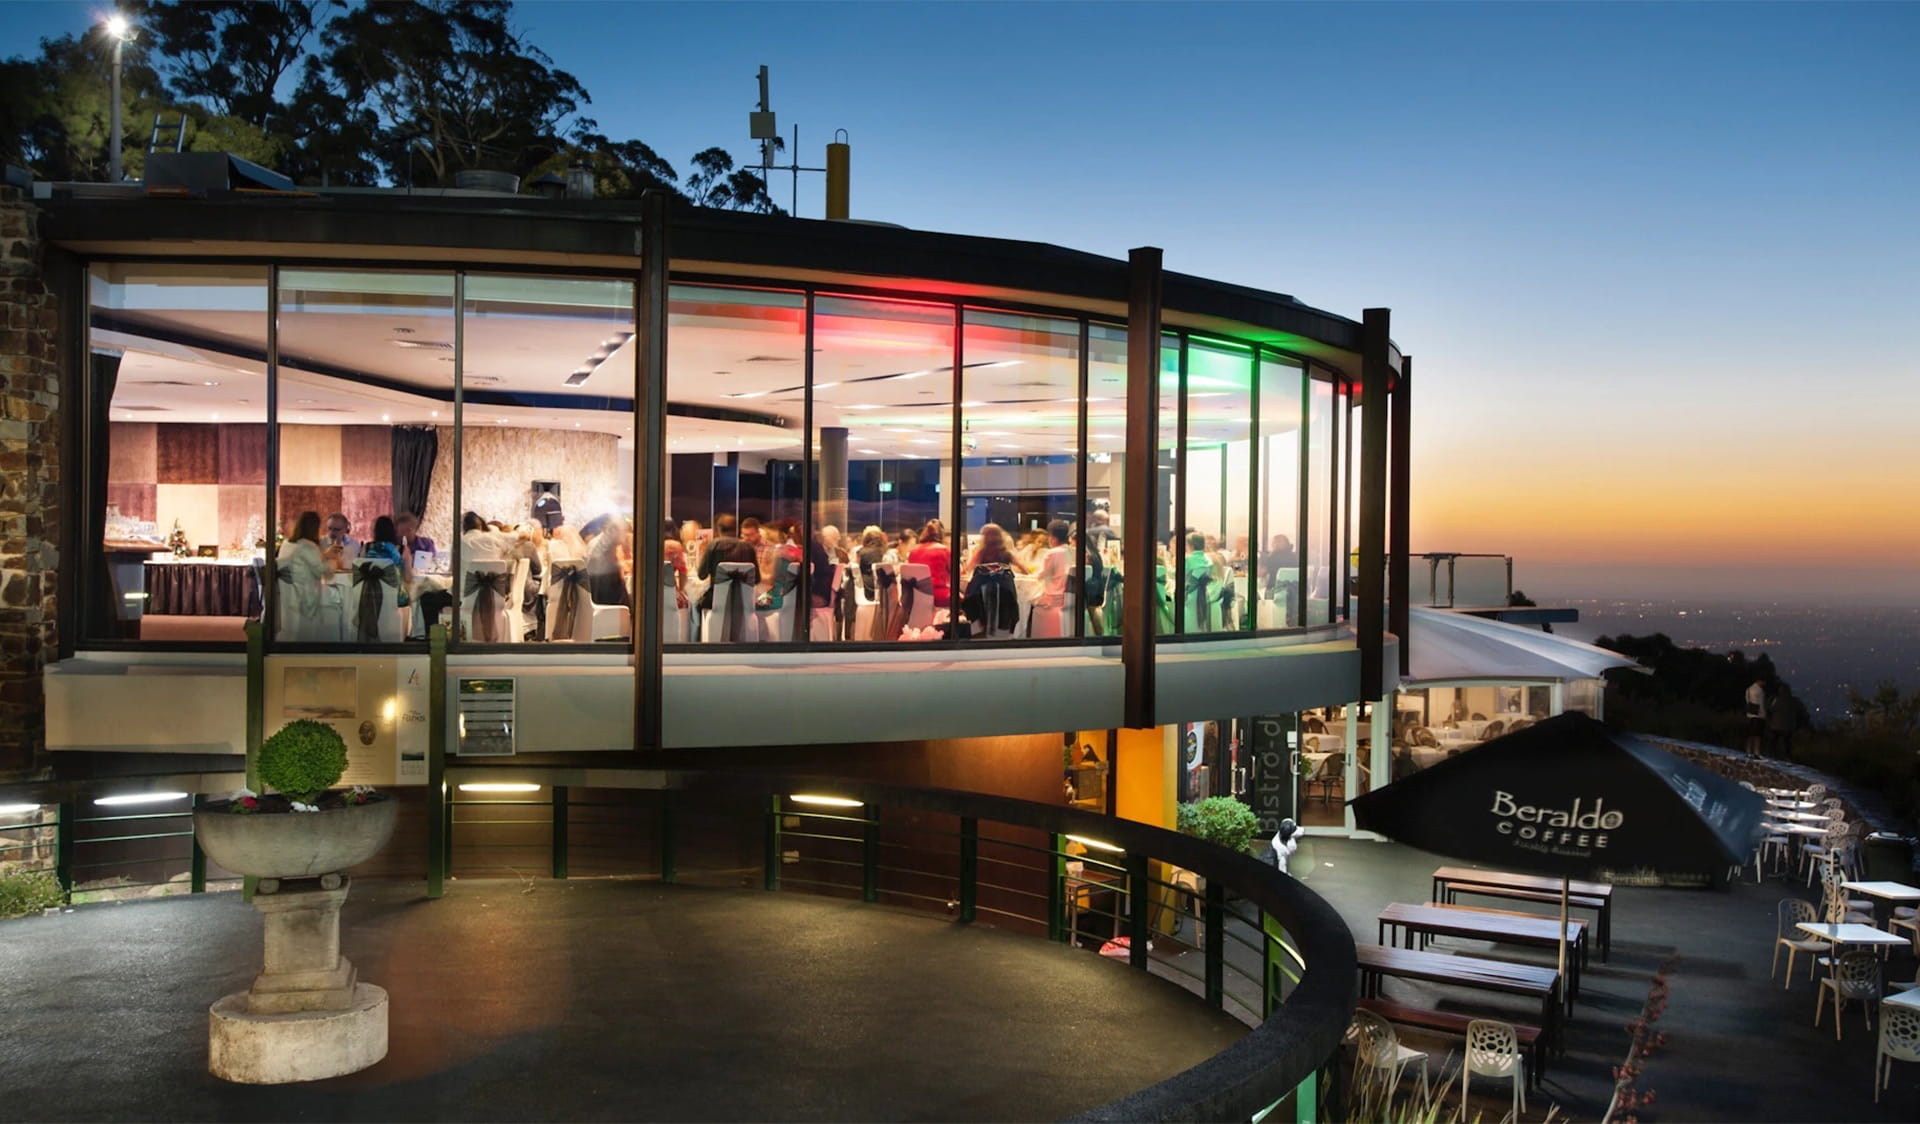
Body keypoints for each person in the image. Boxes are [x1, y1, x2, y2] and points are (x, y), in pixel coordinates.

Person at [275, 511, 332, 638]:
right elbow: (322, 570)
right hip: (304, 593)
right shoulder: (307, 546)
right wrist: (333, 560)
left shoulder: (287, 544)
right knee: (337, 600)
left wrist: (323, 555)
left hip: (287, 592)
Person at [696, 512, 759, 613]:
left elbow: (701, 575)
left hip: (716, 601)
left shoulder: (713, 546)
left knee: (696, 605)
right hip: (743, 602)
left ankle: (704, 629)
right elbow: (756, 579)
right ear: (737, 529)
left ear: (719, 529)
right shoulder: (748, 548)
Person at [1028, 520, 1072, 638]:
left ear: (1052, 537)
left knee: (1028, 601)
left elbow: (1042, 574)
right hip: (1069, 598)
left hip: (1052, 599)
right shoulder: (1071, 551)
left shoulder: (1052, 553)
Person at [907, 519, 952, 610]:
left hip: (917, 596)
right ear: (941, 534)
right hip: (939, 596)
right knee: (964, 598)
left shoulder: (913, 552)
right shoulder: (944, 550)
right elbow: (955, 574)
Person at [1766, 682, 1810, 760]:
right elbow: (1801, 710)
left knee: (1773, 742)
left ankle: (1771, 755)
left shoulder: (1776, 700)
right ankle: (1787, 757)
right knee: (1787, 743)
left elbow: (1771, 709)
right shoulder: (1794, 700)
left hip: (1776, 725)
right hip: (1789, 726)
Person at [1744, 676, 1769, 756]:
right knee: (1758, 735)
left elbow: (1747, 701)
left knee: (1750, 734)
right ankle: (1756, 752)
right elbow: (1761, 704)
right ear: (1760, 681)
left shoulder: (1748, 689)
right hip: (1758, 716)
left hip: (1750, 715)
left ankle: (1748, 751)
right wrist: (1764, 716)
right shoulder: (1760, 691)